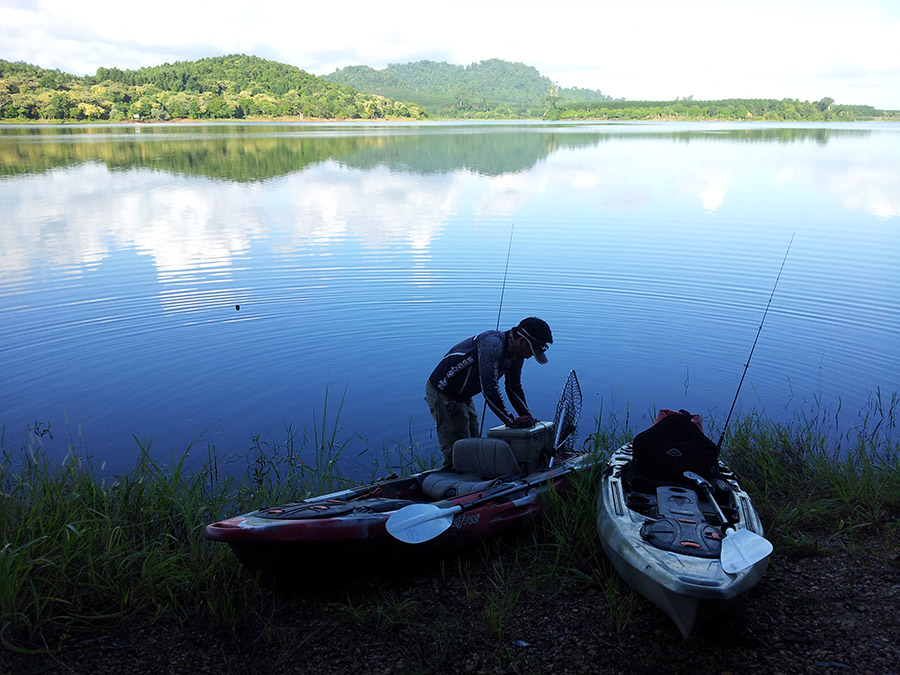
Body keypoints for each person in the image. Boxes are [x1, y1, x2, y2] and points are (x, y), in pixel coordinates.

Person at [425, 317, 553, 467]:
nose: (531, 356)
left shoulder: (517, 354)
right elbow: (489, 389)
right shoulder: (492, 345)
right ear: (522, 341)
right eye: (532, 351)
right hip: (443, 392)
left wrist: (528, 418)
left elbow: (513, 388)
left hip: (464, 395)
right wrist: (510, 421)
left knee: (473, 445)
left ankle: (473, 477)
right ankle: (450, 484)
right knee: (457, 451)